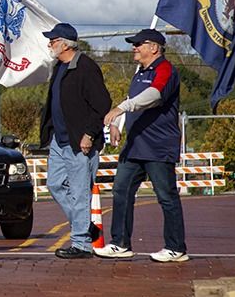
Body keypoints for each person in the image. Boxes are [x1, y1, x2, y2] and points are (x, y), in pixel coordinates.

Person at [96, 28, 188, 263]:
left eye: (139, 44)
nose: (134, 48)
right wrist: (117, 122)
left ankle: (175, 248)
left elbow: (154, 95)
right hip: (135, 145)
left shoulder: (165, 69)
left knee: (166, 196)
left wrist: (122, 109)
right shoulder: (139, 73)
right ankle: (120, 244)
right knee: (121, 191)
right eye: (134, 44)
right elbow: (132, 103)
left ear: (154, 48)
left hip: (158, 146)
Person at [39, 22, 111, 259]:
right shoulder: (60, 67)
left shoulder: (85, 67)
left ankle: (81, 244)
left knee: (80, 192)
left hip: (79, 141)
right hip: (59, 141)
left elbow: (102, 104)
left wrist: (89, 134)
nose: (50, 43)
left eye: (53, 40)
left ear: (65, 43)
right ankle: (85, 227)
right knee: (55, 184)